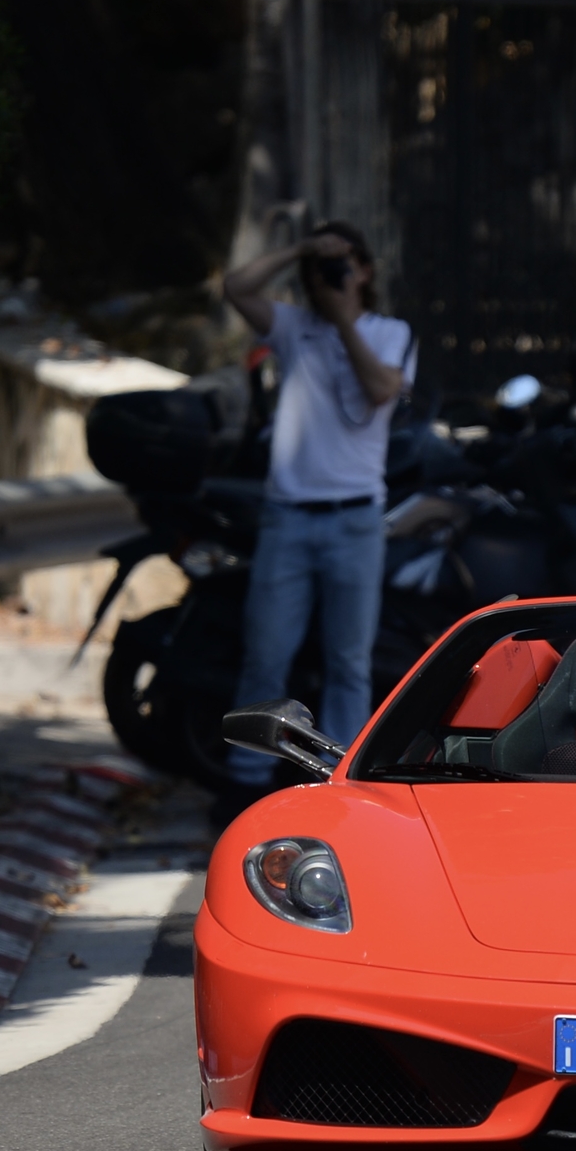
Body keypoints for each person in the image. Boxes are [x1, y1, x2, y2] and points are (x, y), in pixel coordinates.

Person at [218, 221, 415, 805]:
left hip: (355, 521)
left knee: (348, 663)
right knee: (266, 655)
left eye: (344, 262)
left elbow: (381, 389)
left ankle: (337, 789)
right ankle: (245, 783)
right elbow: (236, 287)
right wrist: (301, 250)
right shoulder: (293, 327)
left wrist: (343, 320)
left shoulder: (389, 332)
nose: (332, 275)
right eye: (322, 269)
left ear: (366, 271)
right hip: (289, 517)